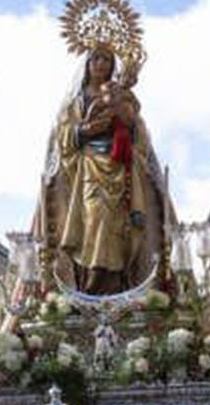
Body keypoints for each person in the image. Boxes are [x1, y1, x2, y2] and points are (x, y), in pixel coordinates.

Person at [32, 39, 172, 295]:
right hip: (88, 168)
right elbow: (62, 136)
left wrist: (121, 109)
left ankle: (117, 285)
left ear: (112, 65)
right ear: (87, 64)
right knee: (94, 219)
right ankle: (90, 286)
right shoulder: (75, 102)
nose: (101, 63)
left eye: (106, 59)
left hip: (120, 166)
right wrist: (84, 130)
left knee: (120, 227)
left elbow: (136, 129)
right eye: (96, 58)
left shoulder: (122, 95)